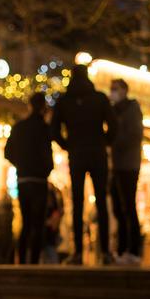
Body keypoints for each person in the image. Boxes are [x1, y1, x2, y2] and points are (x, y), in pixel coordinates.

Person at [51, 64, 116, 265]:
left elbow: (54, 131)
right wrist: (104, 142)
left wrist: (68, 145)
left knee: (77, 203)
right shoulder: (100, 99)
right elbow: (114, 125)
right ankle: (105, 252)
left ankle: (78, 252)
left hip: (77, 155)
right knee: (102, 205)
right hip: (97, 154)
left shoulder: (64, 101)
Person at [4, 92, 53, 264]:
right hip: (39, 180)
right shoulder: (44, 128)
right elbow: (48, 152)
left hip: (23, 179)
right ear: (43, 107)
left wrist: (21, 164)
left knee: (25, 222)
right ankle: (33, 261)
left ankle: (22, 260)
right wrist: (46, 168)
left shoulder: (19, 127)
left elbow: (7, 152)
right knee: (38, 224)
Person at [108, 78, 144, 265]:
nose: (112, 92)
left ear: (124, 90)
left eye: (115, 89)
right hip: (117, 165)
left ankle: (133, 249)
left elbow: (134, 135)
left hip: (128, 165)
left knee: (128, 206)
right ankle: (123, 249)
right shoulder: (115, 111)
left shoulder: (131, 110)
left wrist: (113, 141)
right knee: (118, 208)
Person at [42, 182, 64, 264]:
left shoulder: (53, 209)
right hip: (48, 239)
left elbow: (55, 222)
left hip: (50, 239)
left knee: (51, 257)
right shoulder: (51, 208)